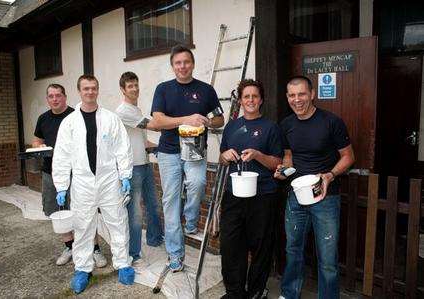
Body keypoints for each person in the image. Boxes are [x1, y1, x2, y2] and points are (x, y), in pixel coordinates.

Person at [52, 75, 135, 294]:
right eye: (86, 88)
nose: (90, 92)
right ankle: (82, 268)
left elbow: (122, 147)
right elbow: (61, 155)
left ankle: (123, 263)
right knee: (83, 226)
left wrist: (125, 175)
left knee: (117, 221)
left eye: (94, 88)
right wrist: (61, 185)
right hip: (82, 183)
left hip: (109, 180)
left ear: (98, 90)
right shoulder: (69, 122)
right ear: (79, 91)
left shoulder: (110, 118)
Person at [275, 76, 355, 299]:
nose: (297, 99)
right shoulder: (287, 125)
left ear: (312, 94)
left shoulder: (332, 122)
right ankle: (290, 294)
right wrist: (284, 171)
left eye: (301, 94)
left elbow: (348, 157)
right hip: (296, 196)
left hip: (325, 196)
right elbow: (289, 157)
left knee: (327, 258)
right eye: (292, 95)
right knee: (293, 250)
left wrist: (330, 175)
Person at [150, 44, 224, 272]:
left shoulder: (205, 90)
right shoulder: (163, 89)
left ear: (193, 64)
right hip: (169, 152)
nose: (182, 66)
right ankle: (175, 254)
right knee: (170, 203)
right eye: (178, 63)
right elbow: (158, 121)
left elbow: (219, 119)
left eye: (186, 62)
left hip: (195, 150)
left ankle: (190, 221)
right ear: (173, 66)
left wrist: (206, 122)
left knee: (199, 183)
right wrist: (186, 119)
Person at [219, 79, 283, 299]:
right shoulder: (231, 126)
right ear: (240, 100)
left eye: (255, 96)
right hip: (234, 193)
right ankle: (235, 292)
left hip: (263, 195)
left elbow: (277, 163)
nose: (250, 100)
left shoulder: (271, 127)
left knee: (261, 245)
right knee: (231, 244)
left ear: (261, 100)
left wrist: (257, 155)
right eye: (246, 96)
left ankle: (256, 291)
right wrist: (224, 156)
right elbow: (222, 158)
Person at [32, 84, 106, 267]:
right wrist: (37, 146)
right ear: (47, 99)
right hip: (50, 173)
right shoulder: (43, 119)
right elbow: (37, 139)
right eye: (51, 96)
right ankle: (70, 247)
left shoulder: (76, 116)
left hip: (78, 175)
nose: (55, 99)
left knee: (85, 213)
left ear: (65, 97)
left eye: (58, 95)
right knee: (58, 212)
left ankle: (94, 249)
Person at [115, 71, 164, 266]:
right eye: (130, 86)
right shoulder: (123, 111)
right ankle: (133, 253)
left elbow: (143, 140)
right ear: (123, 89)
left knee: (153, 204)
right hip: (131, 169)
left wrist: (160, 148)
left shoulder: (136, 110)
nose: (134, 89)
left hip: (144, 164)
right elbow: (154, 126)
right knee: (134, 213)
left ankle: (154, 239)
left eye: (136, 85)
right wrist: (174, 120)